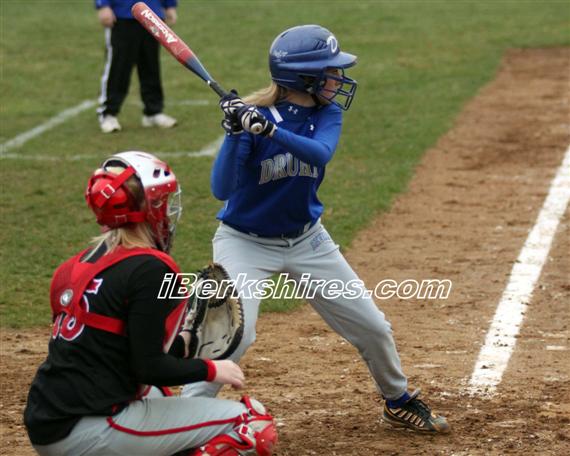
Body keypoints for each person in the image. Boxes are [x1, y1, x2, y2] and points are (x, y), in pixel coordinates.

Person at [182, 24, 450, 434]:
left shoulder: (327, 113)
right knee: (237, 333)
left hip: (308, 240)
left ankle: (397, 400)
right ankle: (184, 417)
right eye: (331, 71)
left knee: (373, 327)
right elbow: (222, 189)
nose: (339, 78)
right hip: (245, 243)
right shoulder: (252, 120)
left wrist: (270, 131)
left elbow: (320, 153)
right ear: (303, 78)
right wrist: (235, 134)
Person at [24, 151, 277, 456]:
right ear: (150, 208)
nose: (168, 210)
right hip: (91, 429)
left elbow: (111, 350)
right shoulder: (152, 269)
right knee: (252, 424)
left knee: (157, 394)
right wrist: (211, 369)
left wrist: (183, 344)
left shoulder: (72, 267)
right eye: (163, 202)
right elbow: (149, 367)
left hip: (50, 422)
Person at [95, 0, 178, 133]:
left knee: (151, 66)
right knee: (119, 67)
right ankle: (108, 113)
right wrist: (103, 5)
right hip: (121, 14)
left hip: (153, 14)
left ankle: (153, 112)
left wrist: (169, 5)